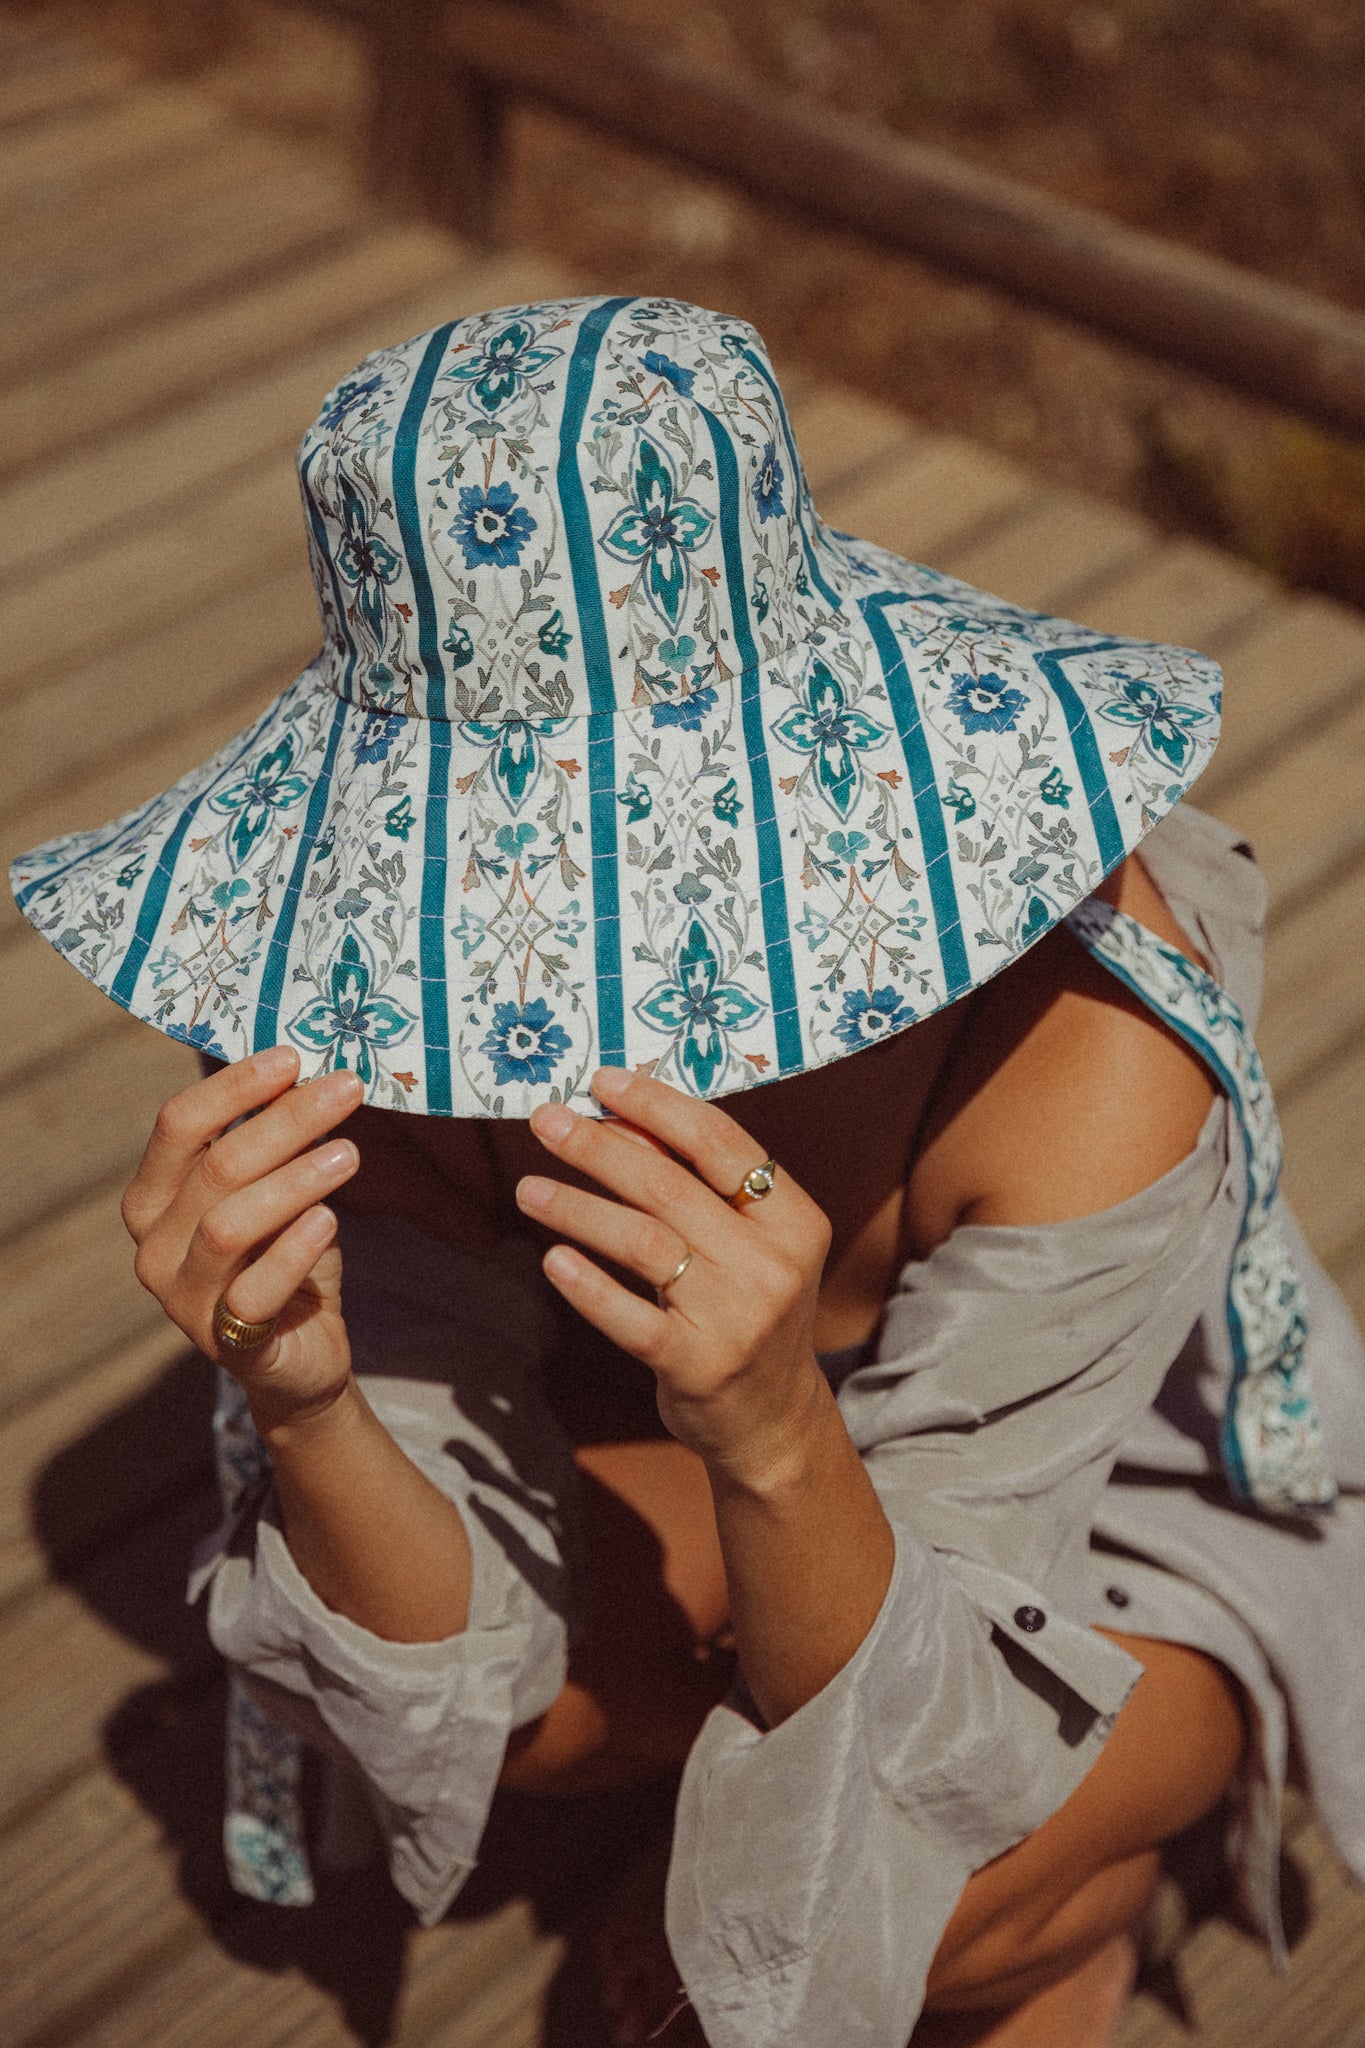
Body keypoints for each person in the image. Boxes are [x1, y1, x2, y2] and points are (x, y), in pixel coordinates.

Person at [11, 297, 1364, 2048]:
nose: (572, 985)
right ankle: (821, 1806)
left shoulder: (1088, 1027)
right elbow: (447, 1668)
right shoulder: (352, 1002)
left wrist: (783, 1432)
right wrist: (304, 1402)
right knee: (525, 1721)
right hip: (699, 1435)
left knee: (932, 1893)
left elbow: (915, 1755)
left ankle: (1060, 1935)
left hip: (1106, 1497)